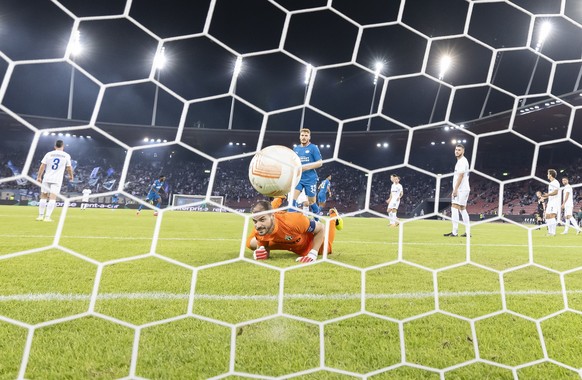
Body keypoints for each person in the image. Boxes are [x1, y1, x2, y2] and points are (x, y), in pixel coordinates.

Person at [246, 200, 343, 263]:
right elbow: (264, 245)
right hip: (285, 242)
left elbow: (321, 228)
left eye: (262, 220)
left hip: (306, 243)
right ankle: (279, 198)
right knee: (250, 243)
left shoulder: (294, 221)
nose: (257, 225)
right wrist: (262, 251)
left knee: (327, 249)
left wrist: (312, 254)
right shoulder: (259, 229)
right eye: (255, 221)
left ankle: (333, 217)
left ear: (273, 216)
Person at [36, 140, 74, 222]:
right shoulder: (66, 155)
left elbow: (42, 166)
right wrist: (71, 176)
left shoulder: (49, 154)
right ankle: (47, 217)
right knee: (52, 198)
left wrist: (39, 176)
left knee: (43, 196)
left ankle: (40, 216)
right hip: (57, 179)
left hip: (46, 178)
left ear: (55, 146)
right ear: (63, 146)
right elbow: (69, 167)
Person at [292, 128, 323, 217]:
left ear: (309, 137)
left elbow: (320, 162)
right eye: (302, 135)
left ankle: (317, 218)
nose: (304, 137)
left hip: (310, 179)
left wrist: (305, 167)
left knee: (311, 202)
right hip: (299, 178)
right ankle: (291, 223)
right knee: (292, 200)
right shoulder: (296, 149)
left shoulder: (313, 148)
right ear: (299, 137)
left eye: (306, 135)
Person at [444, 144, 470, 237]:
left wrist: (455, 189)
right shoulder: (460, 161)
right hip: (464, 188)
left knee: (454, 207)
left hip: (461, 189)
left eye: (459, 150)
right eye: (456, 150)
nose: (457, 151)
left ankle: (454, 232)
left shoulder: (462, 161)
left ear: (463, 151)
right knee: (463, 209)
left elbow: (461, 175)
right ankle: (467, 232)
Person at [540, 169, 560, 236]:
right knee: (547, 217)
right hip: (550, 202)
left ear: (551, 175)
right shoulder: (550, 183)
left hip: (554, 202)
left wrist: (547, 195)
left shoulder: (556, 182)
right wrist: (544, 197)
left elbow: (556, 192)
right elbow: (551, 194)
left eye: (548, 174)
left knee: (552, 216)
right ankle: (550, 232)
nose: (547, 175)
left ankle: (553, 233)